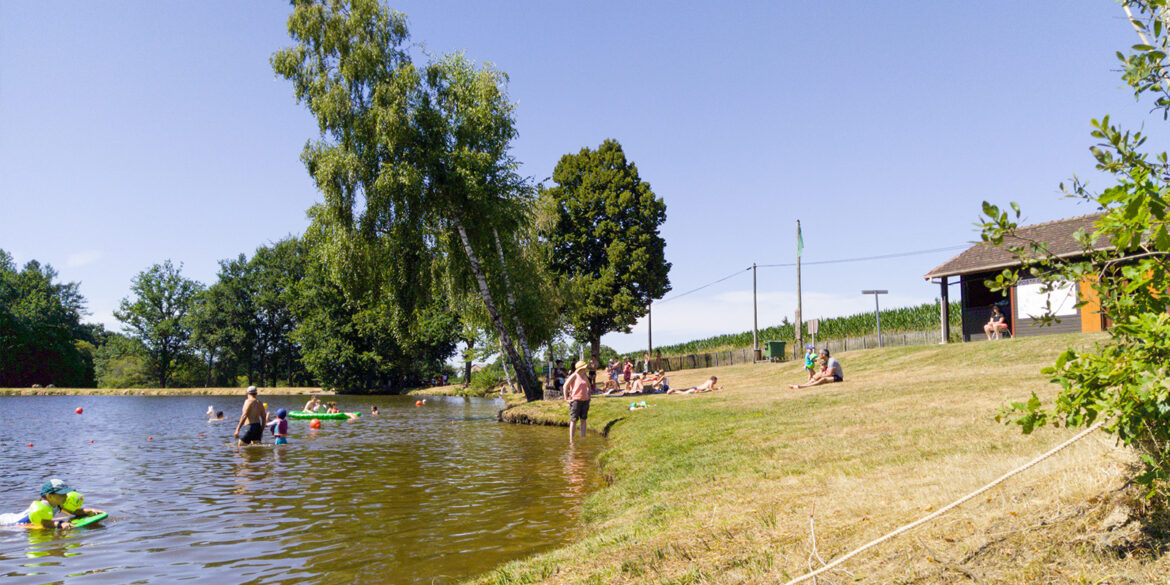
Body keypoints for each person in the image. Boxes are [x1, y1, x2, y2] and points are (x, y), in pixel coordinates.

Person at [0, 479, 103, 530]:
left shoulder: (58, 503)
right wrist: (60, 524)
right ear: (49, 496)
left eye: (66, 494)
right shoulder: (42, 506)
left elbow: (74, 512)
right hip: (9, 523)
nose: (66, 497)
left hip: (13, 517)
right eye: (62, 494)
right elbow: (45, 523)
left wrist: (89, 510)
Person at [562, 360, 592, 441]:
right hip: (575, 401)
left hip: (585, 400)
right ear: (580, 368)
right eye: (584, 367)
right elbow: (565, 386)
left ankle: (583, 438)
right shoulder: (574, 375)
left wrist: (589, 395)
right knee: (574, 420)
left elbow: (589, 386)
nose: (586, 368)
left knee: (583, 420)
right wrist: (566, 398)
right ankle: (571, 440)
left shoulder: (585, 376)